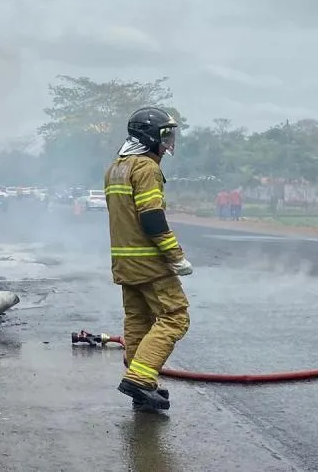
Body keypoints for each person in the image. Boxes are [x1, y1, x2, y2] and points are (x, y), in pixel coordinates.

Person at [103, 107, 193, 412]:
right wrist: (176, 256)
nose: (168, 143)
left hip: (125, 262)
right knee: (175, 317)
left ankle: (142, 382)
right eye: (165, 136)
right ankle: (140, 380)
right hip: (149, 262)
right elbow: (152, 218)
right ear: (150, 137)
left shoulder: (116, 167)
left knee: (139, 319)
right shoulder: (145, 168)